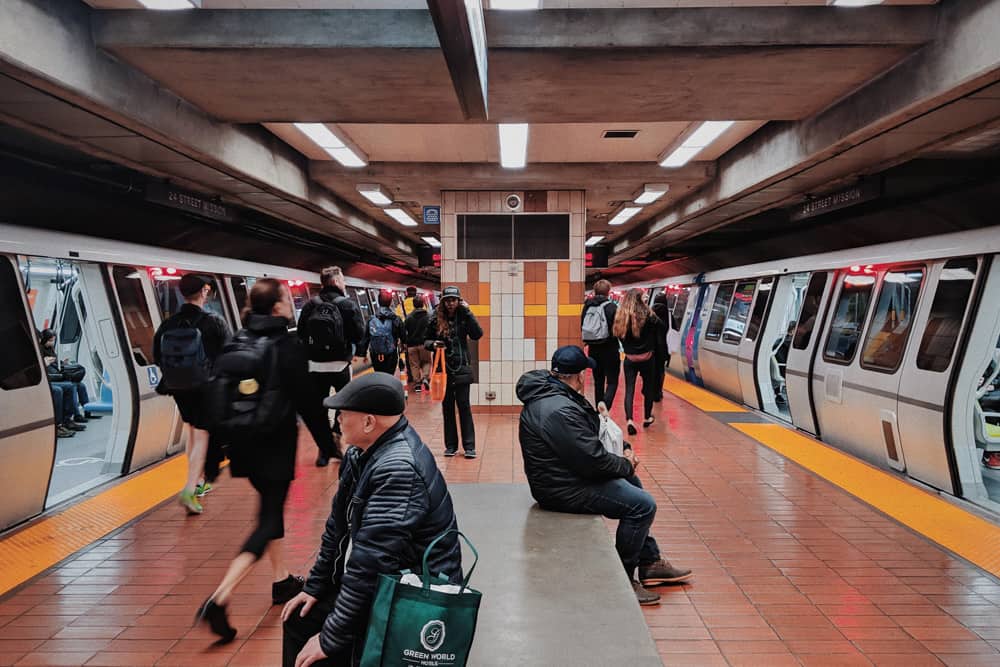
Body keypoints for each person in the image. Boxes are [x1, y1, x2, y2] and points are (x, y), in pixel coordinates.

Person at [281, 373, 463, 667]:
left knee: (324, 645)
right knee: (300, 617)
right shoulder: (362, 453)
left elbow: (370, 563)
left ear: (368, 422)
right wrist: (315, 586)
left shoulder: (398, 469)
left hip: (415, 592)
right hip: (390, 577)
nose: (337, 419)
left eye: (343, 414)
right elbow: (336, 528)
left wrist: (331, 637)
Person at [516, 345, 691, 606]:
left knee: (633, 485)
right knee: (643, 506)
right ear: (578, 376)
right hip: (561, 488)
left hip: (567, 475)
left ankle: (650, 562)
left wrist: (625, 451)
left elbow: (589, 438)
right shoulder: (559, 409)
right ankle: (622, 578)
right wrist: (626, 464)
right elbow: (592, 461)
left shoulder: (557, 394)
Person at [196, 279, 309, 642]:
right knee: (267, 521)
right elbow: (305, 401)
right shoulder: (286, 344)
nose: (291, 303)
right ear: (276, 307)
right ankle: (219, 598)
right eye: (287, 299)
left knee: (269, 510)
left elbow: (214, 401)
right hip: (274, 445)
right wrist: (331, 444)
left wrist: (213, 459)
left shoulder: (237, 340)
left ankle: (282, 580)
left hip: (243, 448)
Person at [153, 273, 230, 514]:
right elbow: (229, 354)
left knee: (193, 430)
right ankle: (189, 489)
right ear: (205, 291)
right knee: (203, 435)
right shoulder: (213, 321)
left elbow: (157, 355)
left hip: (177, 387)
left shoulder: (168, 324)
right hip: (206, 387)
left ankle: (196, 481)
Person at [297, 266, 368, 467]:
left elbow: (301, 333)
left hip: (316, 366)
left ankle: (323, 449)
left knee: (319, 408)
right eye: (343, 280)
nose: (344, 283)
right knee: (343, 403)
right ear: (336, 282)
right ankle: (336, 435)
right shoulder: (347, 305)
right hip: (340, 365)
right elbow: (359, 334)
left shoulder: (311, 305)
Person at [425, 286, 483, 458]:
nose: (451, 303)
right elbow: (425, 340)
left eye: (454, 300)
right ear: (443, 302)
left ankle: (469, 447)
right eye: (447, 300)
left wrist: (469, 312)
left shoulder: (464, 316)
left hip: (462, 367)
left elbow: (477, 334)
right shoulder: (435, 318)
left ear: (459, 301)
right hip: (443, 369)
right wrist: (434, 345)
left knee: (464, 407)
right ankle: (450, 446)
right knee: (447, 408)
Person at [614, 288, 665, 436]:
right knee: (648, 388)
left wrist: (628, 347)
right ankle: (647, 416)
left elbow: (618, 335)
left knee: (629, 389)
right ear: (640, 299)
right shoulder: (649, 315)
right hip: (648, 357)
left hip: (630, 358)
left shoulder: (622, 316)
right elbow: (661, 328)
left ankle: (629, 420)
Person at [40, 329, 97, 428]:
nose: (52, 342)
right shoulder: (40, 350)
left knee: (81, 385)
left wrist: (62, 363)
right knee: (72, 386)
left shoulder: (51, 349)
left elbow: (55, 364)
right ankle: (75, 415)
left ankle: (88, 411)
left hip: (56, 373)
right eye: (50, 340)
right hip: (52, 376)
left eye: (53, 340)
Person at [580, 279, 620, 409]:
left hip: (594, 349)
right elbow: (618, 329)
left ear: (595, 291)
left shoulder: (587, 306)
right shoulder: (612, 307)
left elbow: (583, 325)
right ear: (608, 292)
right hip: (610, 349)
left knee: (598, 381)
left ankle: (599, 409)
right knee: (612, 381)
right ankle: (605, 406)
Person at [368, 291, 404, 375]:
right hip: (391, 352)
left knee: (380, 375)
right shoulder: (395, 318)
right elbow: (402, 334)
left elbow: (366, 336)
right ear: (391, 302)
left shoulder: (371, 319)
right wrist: (404, 344)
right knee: (390, 374)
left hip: (375, 354)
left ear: (378, 301)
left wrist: (361, 353)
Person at [404, 294, 432, 393]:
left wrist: (404, 343)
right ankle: (425, 378)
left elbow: (405, 331)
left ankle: (417, 385)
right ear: (423, 303)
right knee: (427, 362)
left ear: (413, 304)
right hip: (424, 344)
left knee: (414, 365)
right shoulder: (429, 316)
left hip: (411, 345)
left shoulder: (409, 317)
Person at [650, 293, 672, 403]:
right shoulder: (669, 315)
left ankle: (650, 390)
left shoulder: (650, 313)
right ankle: (658, 392)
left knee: (651, 370)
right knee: (661, 370)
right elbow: (674, 330)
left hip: (651, 347)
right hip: (664, 348)